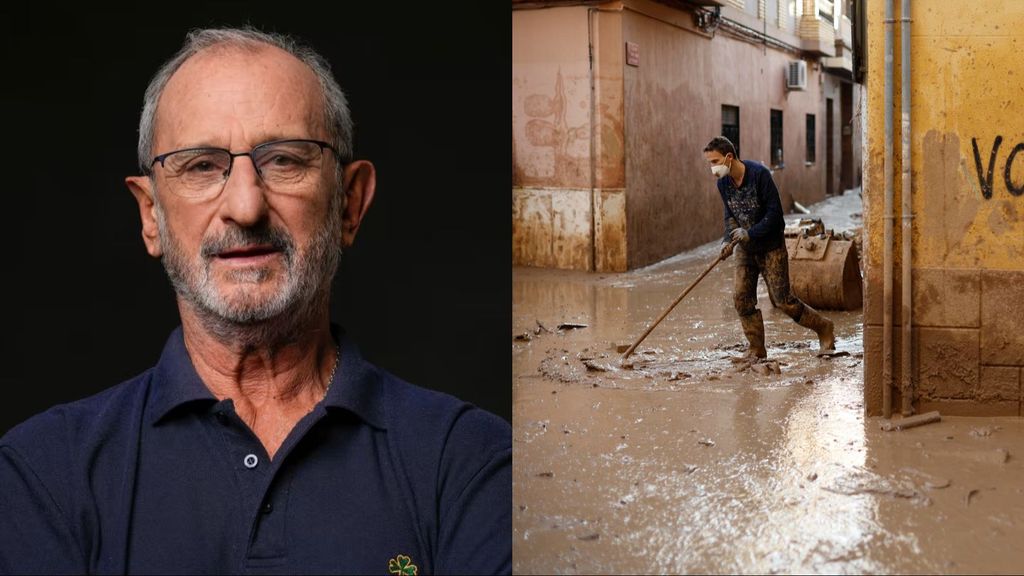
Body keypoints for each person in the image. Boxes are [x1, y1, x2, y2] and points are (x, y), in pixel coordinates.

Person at [0, 27, 510, 574]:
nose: (245, 207)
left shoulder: (471, 461)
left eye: (285, 160)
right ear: (151, 216)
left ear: (349, 203)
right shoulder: (44, 472)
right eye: (200, 166)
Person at [703, 136, 835, 361]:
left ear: (729, 157)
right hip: (745, 249)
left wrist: (750, 232)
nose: (712, 168)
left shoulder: (759, 175)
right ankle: (756, 349)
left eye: (714, 161)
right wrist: (727, 240)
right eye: (709, 163)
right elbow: (730, 216)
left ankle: (824, 328)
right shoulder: (723, 184)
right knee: (742, 299)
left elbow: (775, 215)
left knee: (783, 301)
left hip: (771, 246)